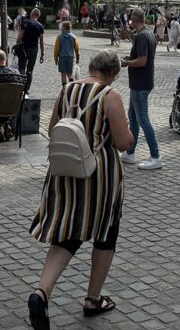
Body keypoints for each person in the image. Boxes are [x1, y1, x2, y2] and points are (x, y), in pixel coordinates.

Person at [28, 50, 134, 329]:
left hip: (64, 172)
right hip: (100, 177)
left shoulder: (67, 90)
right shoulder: (109, 96)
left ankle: (41, 293)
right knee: (105, 233)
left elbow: (53, 130)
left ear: (91, 66)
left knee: (67, 233)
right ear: (112, 73)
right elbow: (123, 143)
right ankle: (93, 299)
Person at [120, 9, 162, 170]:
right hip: (141, 82)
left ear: (132, 20)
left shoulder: (142, 37)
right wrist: (128, 59)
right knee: (133, 117)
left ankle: (156, 156)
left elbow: (142, 61)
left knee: (143, 120)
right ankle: (130, 153)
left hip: (140, 84)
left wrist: (125, 63)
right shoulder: (149, 34)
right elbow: (141, 57)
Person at [17, 8, 46, 93]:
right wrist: (42, 54)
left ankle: (21, 85)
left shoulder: (26, 22)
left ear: (32, 14)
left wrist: (17, 45)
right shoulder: (40, 26)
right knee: (30, 70)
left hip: (24, 47)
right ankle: (26, 89)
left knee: (21, 67)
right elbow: (41, 41)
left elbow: (20, 35)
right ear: (38, 16)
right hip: (34, 49)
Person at [53, 21, 81, 86]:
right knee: (70, 73)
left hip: (62, 57)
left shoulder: (59, 37)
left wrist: (56, 58)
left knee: (63, 74)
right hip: (70, 57)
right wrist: (77, 57)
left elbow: (56, 49)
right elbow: (77, 48)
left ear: (63, 27)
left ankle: (64, 89)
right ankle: (72, 87)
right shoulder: (73, 37)